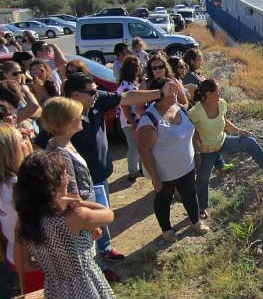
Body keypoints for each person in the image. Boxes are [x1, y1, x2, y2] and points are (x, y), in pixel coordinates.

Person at [33, 73, 176, 280]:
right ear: (75, 95)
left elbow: (127, 97)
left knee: (102, 217)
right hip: (77, 186)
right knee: (89, 225)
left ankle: (106, 249)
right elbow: (39, 146)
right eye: (91, 92)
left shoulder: (96, 100)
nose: (96, 95)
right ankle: (97, 265)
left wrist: (160, 92)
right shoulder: (60, 119)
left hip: (98, 177)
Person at [13, 150, 116, 299]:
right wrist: (80, 202)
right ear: (53, 183)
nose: (68, 178)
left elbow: (27, 264)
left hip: (54, 290)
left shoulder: (24, 220)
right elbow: (108, 214)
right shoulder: (74, 217)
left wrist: (58, 266)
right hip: (86, 287)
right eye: (65, 174)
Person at [189, 79, 263, 218]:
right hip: (207, 150)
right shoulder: (195, 112)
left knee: (249, 142)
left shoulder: (221, 103)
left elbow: (224, 120)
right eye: (217, 91)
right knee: (203, 179)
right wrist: (197, 148)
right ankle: (201, 208)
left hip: (223, 142)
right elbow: (190, 130)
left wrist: (238, 131)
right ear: (208, 94)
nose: (220, 93)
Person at [137, 77, 210, 243]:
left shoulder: (179, 108)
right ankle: (167, 230)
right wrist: (155, 178)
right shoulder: (150, 119)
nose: (176, 93)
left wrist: (197, 151)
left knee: (190, 195)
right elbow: (145, 151)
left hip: (187, 165)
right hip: (164, 173)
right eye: (171, 90)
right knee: (163, 200)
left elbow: (191, 130)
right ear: (157, 94)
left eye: (175, 89)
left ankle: (196, 221)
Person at [0, 123, 42, 296]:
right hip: (35, 262)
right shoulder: (19, 188)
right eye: (21, 140)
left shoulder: (5, 184)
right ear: (12, 151)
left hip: (14, 257)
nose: (27, 141)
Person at [117, 56, 144, 182]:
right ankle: (132, 172)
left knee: (140, 145)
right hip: (130, 123)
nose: (141, 67)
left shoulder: (134, 83)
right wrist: (132, 123)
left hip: (137, 121)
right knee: (134, 147)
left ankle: (142, 168)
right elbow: (125, 107)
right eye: (139, 65)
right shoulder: (125, 86)